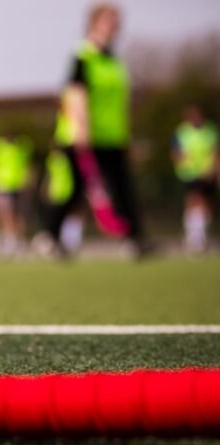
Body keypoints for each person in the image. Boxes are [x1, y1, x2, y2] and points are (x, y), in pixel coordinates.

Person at [44, 3, 152, 258]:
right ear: (93, 23)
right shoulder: (83, 56)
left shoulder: (115, 61)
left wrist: (127, 135)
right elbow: (75, 94)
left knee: (123, 188)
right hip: (83, 136)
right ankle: (49, 236)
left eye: (117, 22)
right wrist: (82, 129)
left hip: (112, 136)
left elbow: (119, 104)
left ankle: (135, 239)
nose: (115, 27)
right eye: (109, 21)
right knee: (74, 191)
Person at [173, 105, 218, 254]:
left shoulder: (210, 131)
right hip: (190, 173)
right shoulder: (182, 132)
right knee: (194, 200)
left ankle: (198, 236)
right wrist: (184, 164)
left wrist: (213, 169)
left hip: (207, 173)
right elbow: (176, 153)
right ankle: (194, 238)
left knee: (205, 204)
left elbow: (215, 152)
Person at [0, 133, 34, 257]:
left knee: (19, 213)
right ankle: (8, 239)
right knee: (4, 212)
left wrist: (28, 180)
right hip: (1, 184)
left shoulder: (23, 147)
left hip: (18, 184)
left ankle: (17, 239)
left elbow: (27, 165)